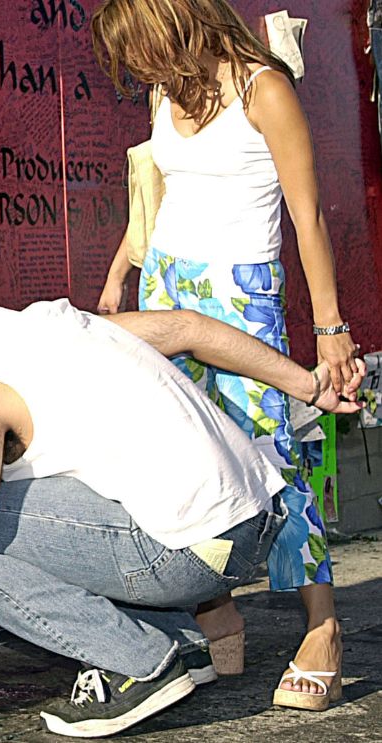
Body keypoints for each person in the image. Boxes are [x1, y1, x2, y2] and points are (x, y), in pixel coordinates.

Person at [0, 295, 363, 737]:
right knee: (47, 487)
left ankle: (136, 666)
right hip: (252, 527)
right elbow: (189, 327)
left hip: (188, 558)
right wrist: (309, 386)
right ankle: (180, 644)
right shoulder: (53, 324)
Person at [90, 0, 356, 711]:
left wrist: (330, 328)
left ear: (173, 21)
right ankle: (216, 613)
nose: (137, 68)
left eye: (140, 47)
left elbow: (307, 217)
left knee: (270, 461)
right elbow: (155, 194)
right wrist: (120, 272)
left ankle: (323, 625)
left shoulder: (262, 88)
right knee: (174, 458)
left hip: (239, 294)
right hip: (165, 283)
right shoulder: (164, 91)